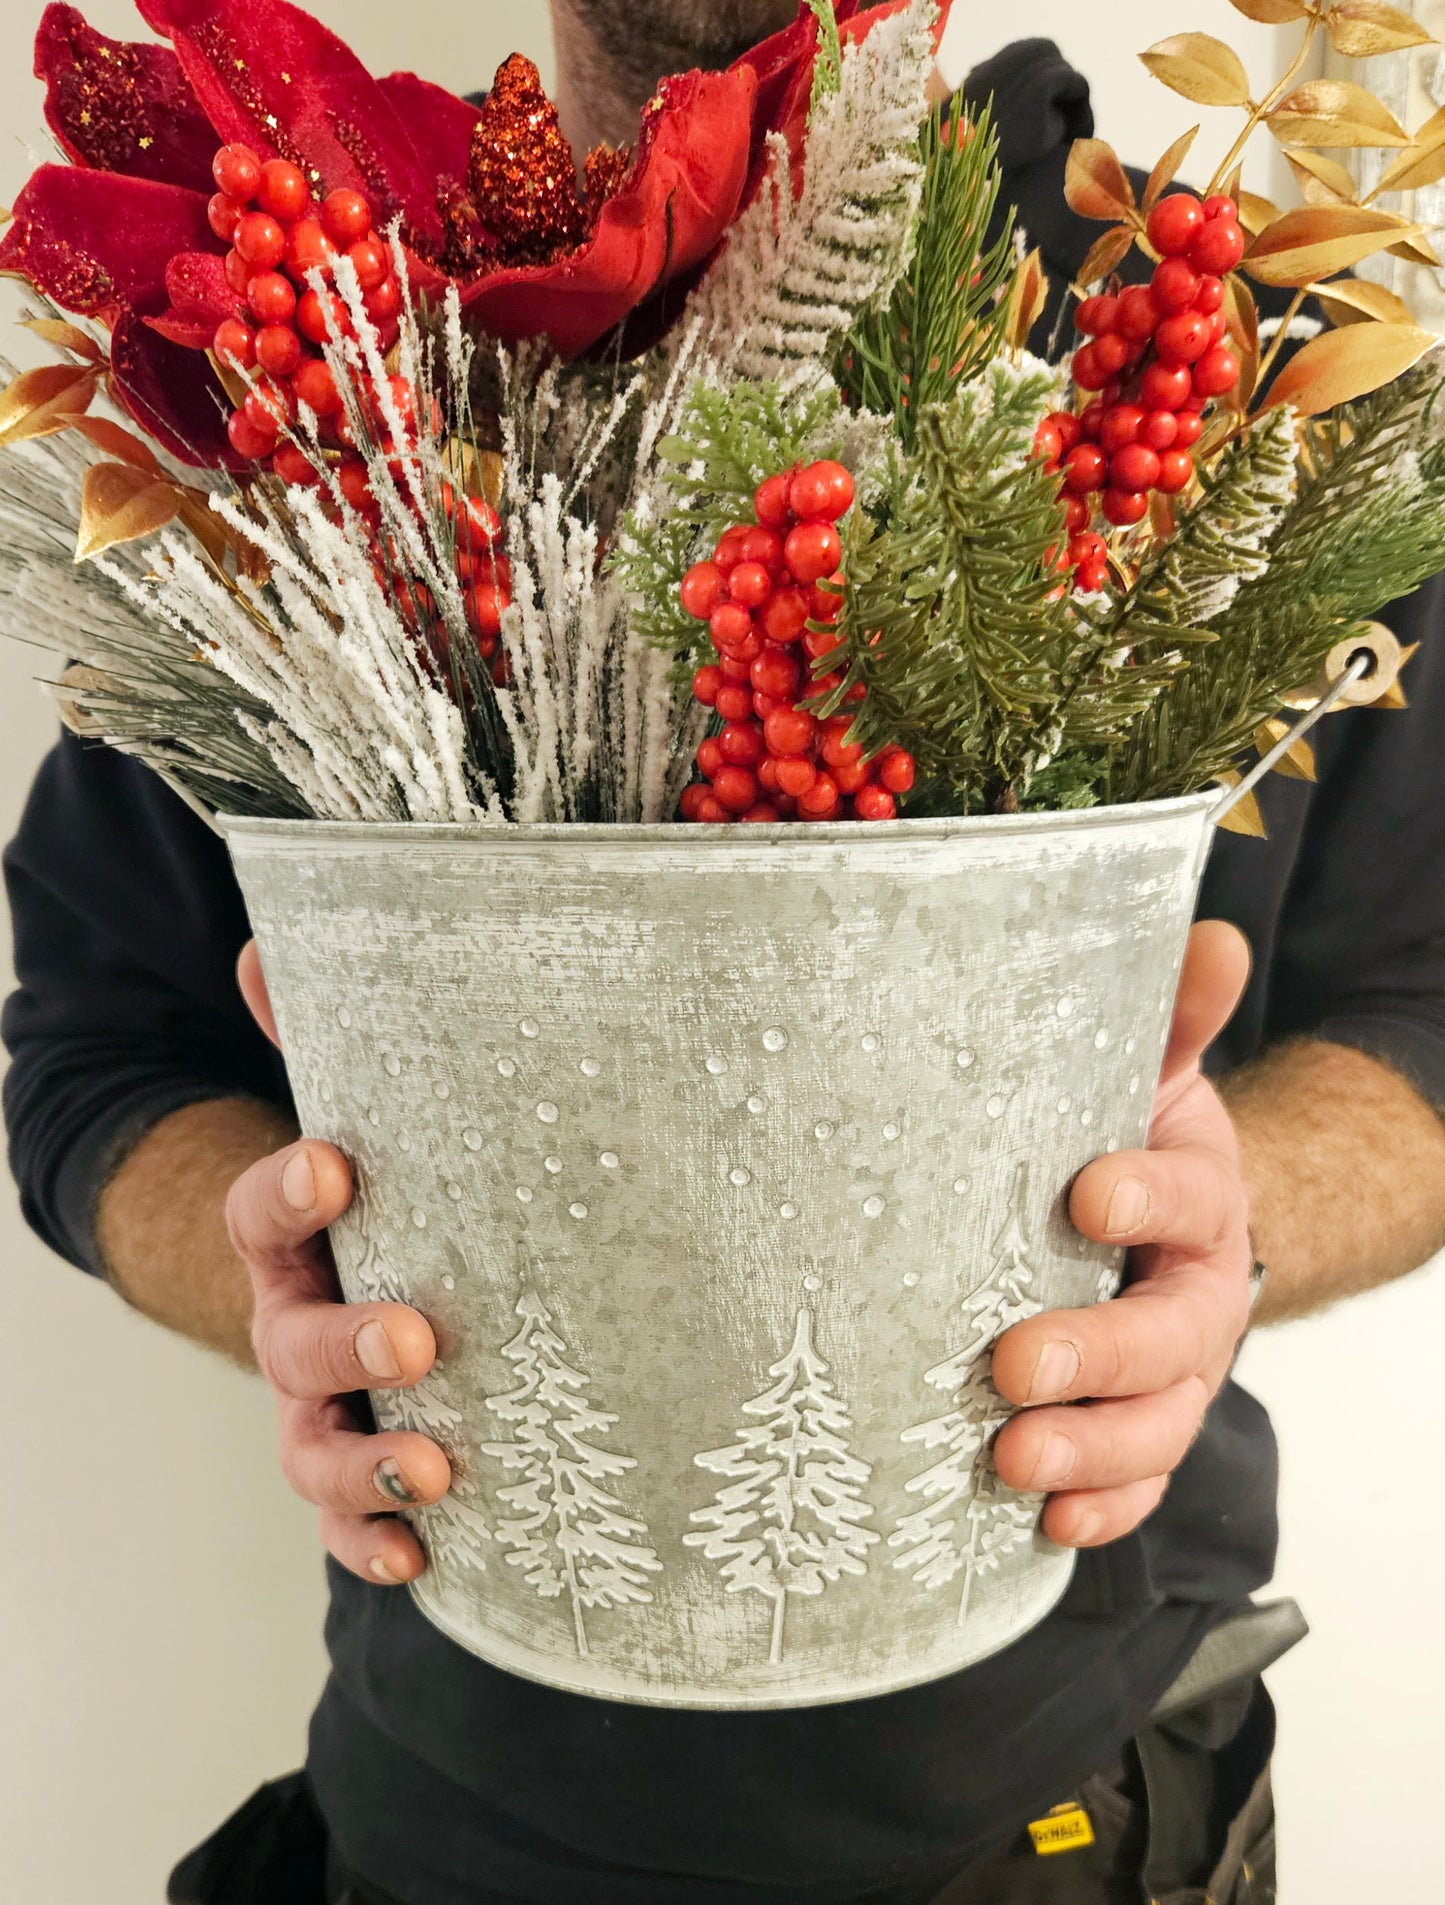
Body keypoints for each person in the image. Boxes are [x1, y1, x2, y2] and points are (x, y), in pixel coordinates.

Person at [7, 10, 1445, 1905]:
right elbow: (99, 1049)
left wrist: (1220, 1216)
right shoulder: (325, 348)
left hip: (1079, 1806)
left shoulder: (1217, 345)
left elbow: (1420, 996)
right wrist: (282, 1264)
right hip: (456, 1797)